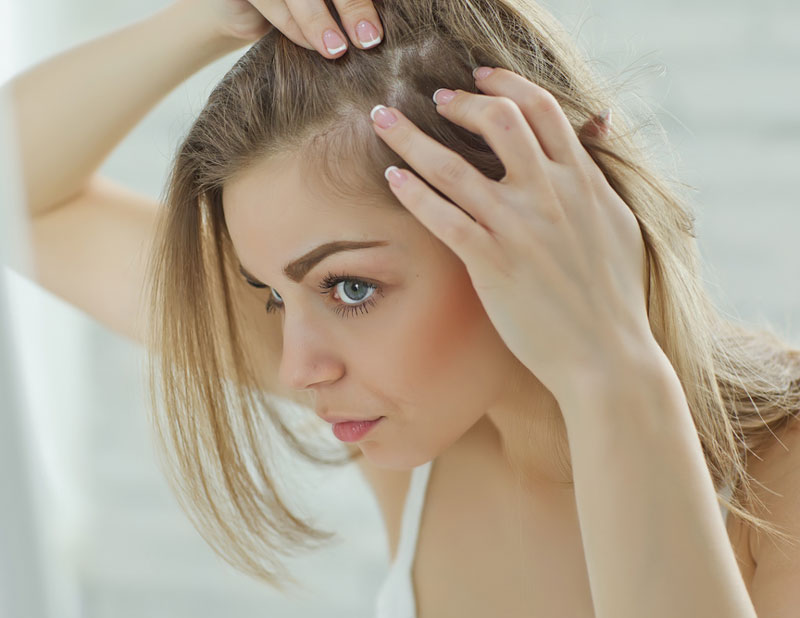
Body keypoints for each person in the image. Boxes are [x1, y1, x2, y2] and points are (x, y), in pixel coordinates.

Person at [5, 0, 800, 616]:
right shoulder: (424, 422)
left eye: (351, 288)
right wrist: (210, 19)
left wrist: (613, 370)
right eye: (271, 295)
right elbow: (19, 204)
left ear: (557, 208)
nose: (297, 366)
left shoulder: (783, 473)